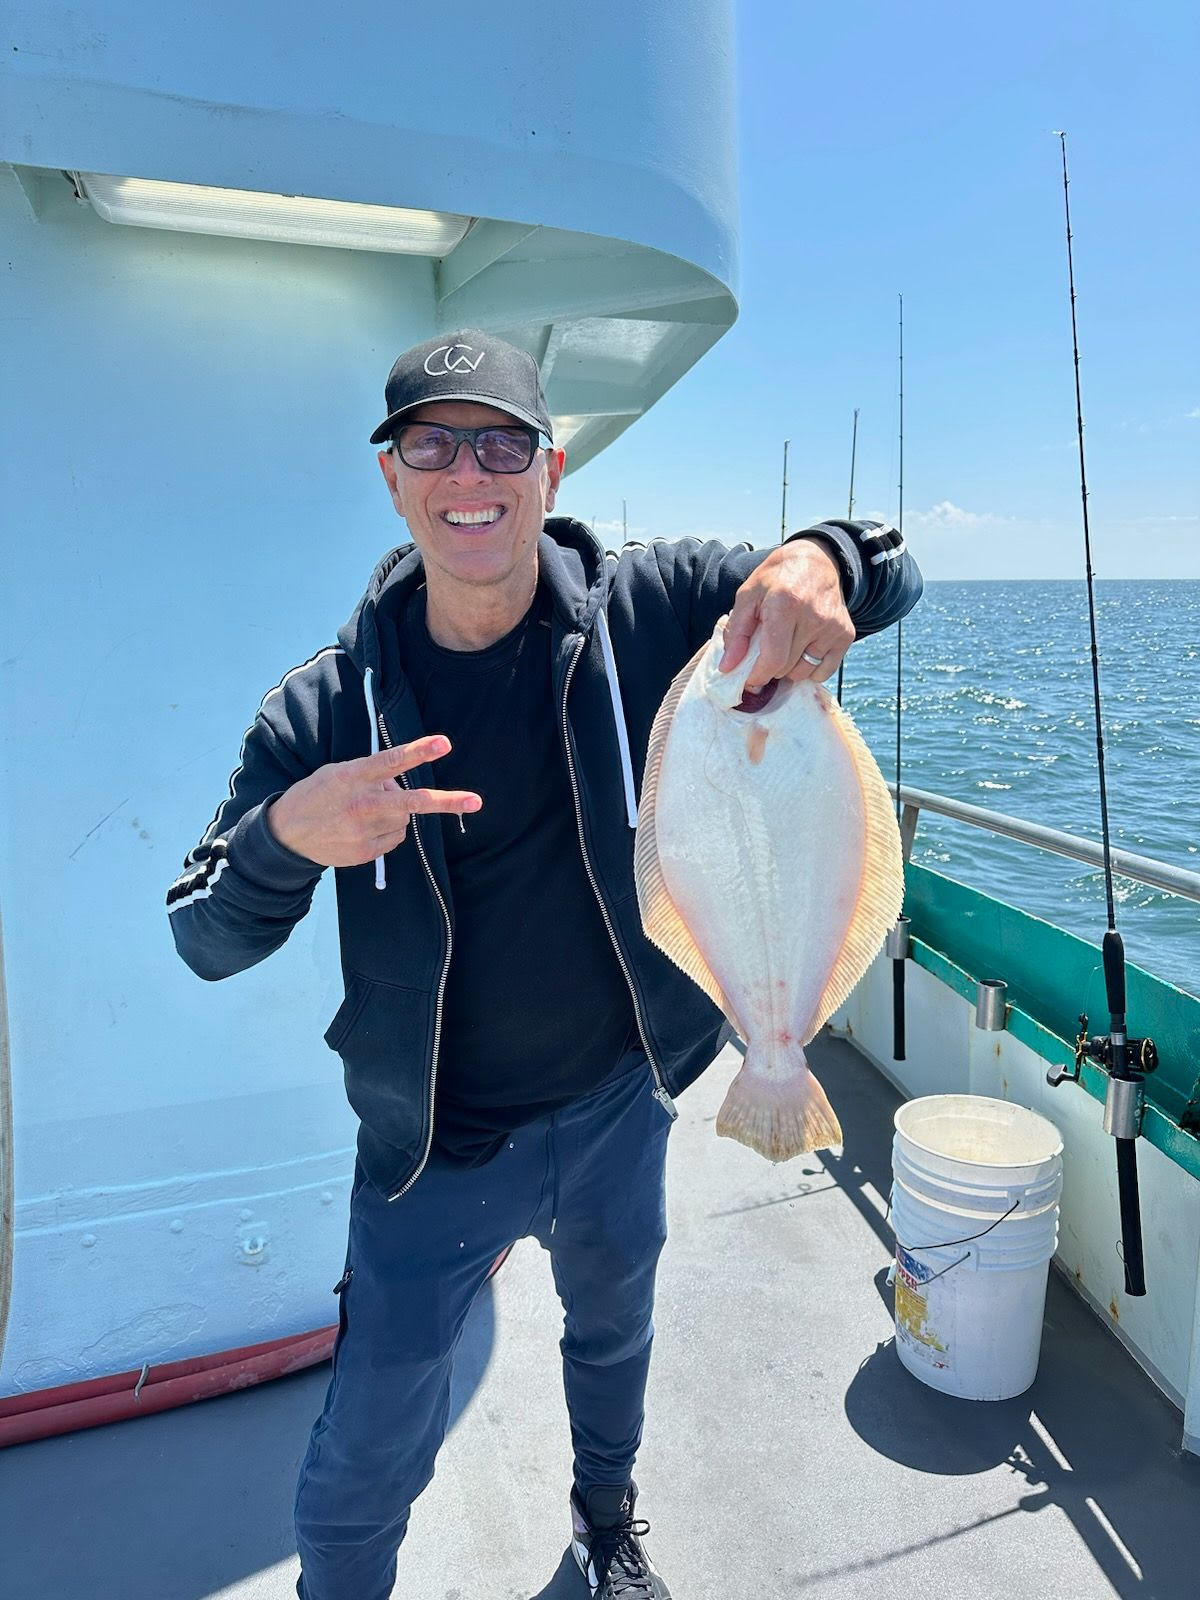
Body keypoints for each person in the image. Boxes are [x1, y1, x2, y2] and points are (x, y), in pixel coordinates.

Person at [167, 329, 923, 1600]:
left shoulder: (666, 611)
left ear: (552, 469)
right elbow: (202, 933)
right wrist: (287, 837)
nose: (473, 470)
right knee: (368, 1443)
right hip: (432, 1151)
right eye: (433, 441)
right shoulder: (324, 711)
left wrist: (823, 558)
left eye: (503, 441)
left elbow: (888, 575)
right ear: (394, 480)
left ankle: (605, 1518)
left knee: (613, 1333)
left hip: (618, 1103)